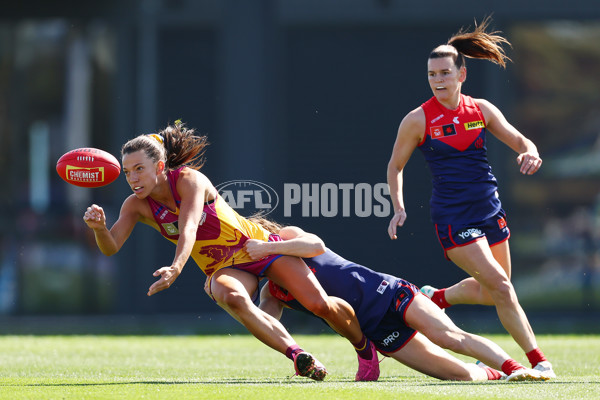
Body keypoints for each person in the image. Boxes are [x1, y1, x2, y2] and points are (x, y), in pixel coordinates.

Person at [82, 120, 376, 381]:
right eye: (126, 172)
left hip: (258, 248)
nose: (132, 178)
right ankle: (298, 355)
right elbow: (112, 247)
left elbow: (190, 228)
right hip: (224, 268)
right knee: (231, 296)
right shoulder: (135, 205)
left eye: (139, 170)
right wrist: (99, 229)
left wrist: (176, 268)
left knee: (320, 306)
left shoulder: (188, 181)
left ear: (159, 167)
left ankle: (364, 347)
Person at [385, 17, 554, 378]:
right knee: (503, 287)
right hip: (454, 217)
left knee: (493, 291)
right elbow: (395, 167)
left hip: (490, 210)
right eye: (432, 75)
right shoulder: (417, 120)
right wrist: (398, 207)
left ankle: (437, 297)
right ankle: (538, 361)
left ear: (462, 75)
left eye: (445, 73)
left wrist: (529, 152)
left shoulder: (481, 110)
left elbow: (521, 141)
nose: (438, 81)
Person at [244, 221, 548, 382]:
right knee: (460, 375)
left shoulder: (286, 238)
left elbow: (316, 244)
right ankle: (494, 372)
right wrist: (237, 301)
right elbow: (268, 323)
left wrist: (268, 249)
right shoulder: (272, 291)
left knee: (450, 337)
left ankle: (517, 368)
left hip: (389, 293)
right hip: (377, 331)